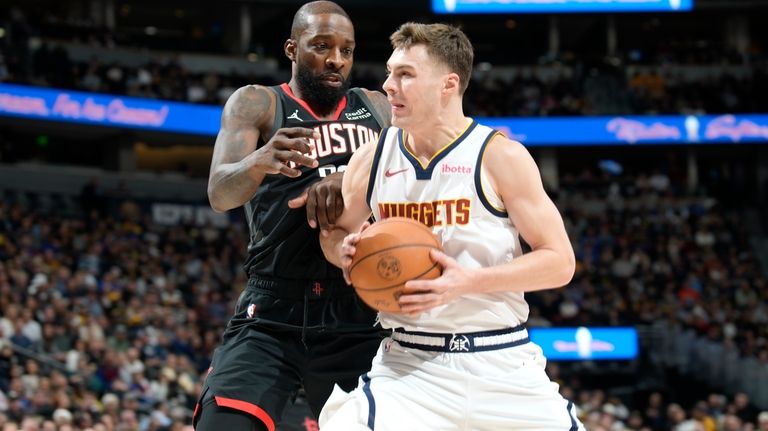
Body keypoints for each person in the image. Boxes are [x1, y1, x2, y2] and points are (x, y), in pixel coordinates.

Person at [317, 22, 586, 430]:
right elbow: (336, 233)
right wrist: (345, 253)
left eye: (405, 74)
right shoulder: (373, 158)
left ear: (449, 83)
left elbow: (560, 262)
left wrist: (467, 282)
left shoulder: (500, 157)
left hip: (502, 361)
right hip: (409, 366)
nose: (389, 85)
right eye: (390, 72)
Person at [195, 2, 391, 431]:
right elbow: (219, 193)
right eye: (321, 46)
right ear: (292, 48)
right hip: (273, 309)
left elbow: (413, 175)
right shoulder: (257, 104)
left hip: (358, 310)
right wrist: (260, 160)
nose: (336, 59)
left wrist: (348, 178)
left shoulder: (377, 107)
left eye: (346, 49)